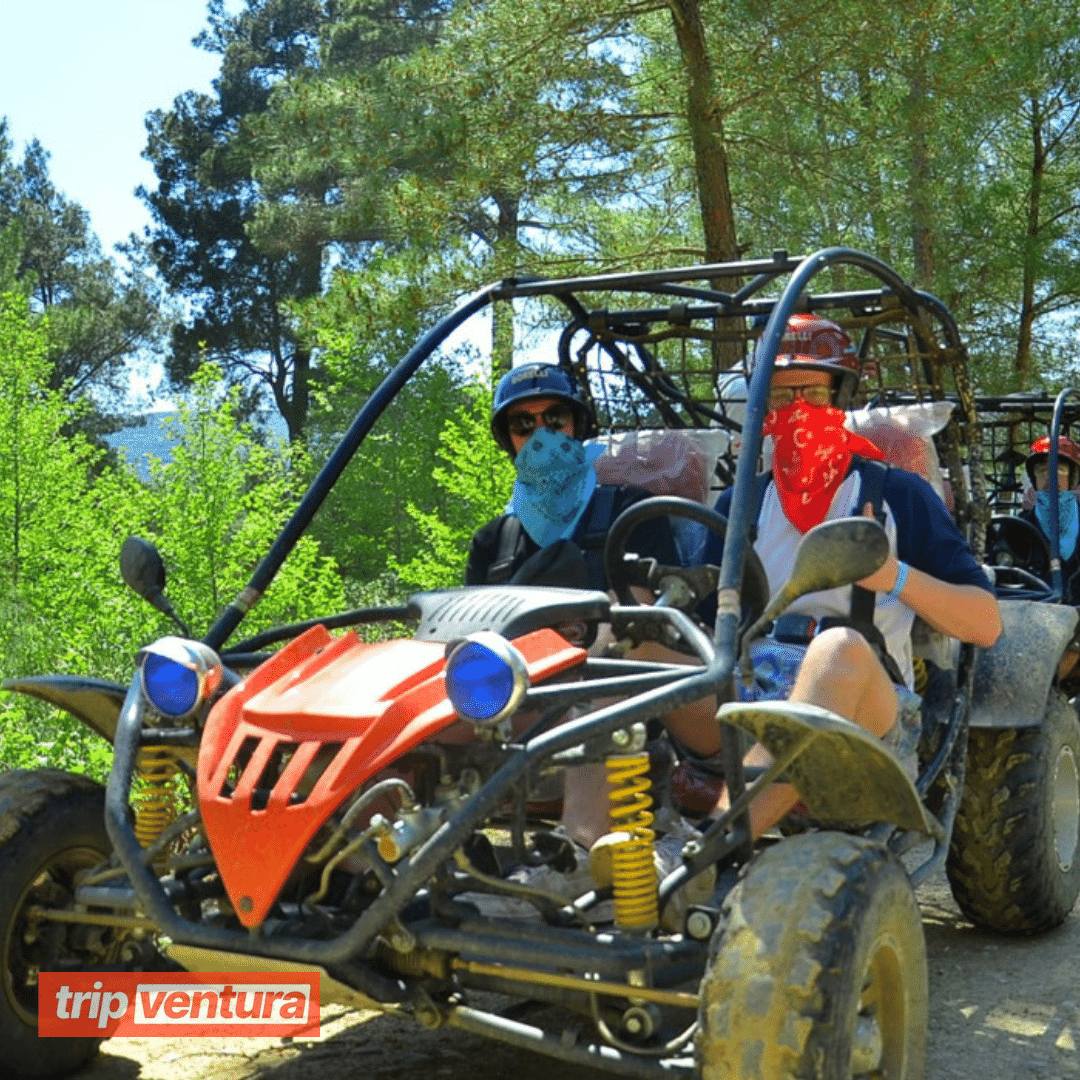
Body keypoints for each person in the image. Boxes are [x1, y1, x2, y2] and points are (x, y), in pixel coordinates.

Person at [699, 313, 1003, 837]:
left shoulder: (897, 497)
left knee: (838, 646)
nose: (796, 412)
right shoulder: (741, 504)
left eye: (812, 394)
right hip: (754, 690)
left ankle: (713, 843)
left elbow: (986, 625)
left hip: (867, 707)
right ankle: (575, 849)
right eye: (780, 398)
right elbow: (702, 627)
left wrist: (891, 576)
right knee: (625, 646)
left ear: (840, 396)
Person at [463, 362, 710, 917]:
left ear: (580, 425)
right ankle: (376, 859)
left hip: (629, 698)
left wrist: (594, 637)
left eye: (557, 418)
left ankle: (576, 853)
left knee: (610, 653)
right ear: (509, 440)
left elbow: (665, 622)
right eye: (525, 425)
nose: (543, 436)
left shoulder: (631, 513)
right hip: (523, 704)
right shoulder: (494, 541)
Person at [1019, 435, 1080, 601]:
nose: (1049, 476)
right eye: (1041, 470)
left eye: (1058, 469)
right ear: (1034, 478)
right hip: (1038, 616)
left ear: (1073, 477)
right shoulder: (1018, 527)